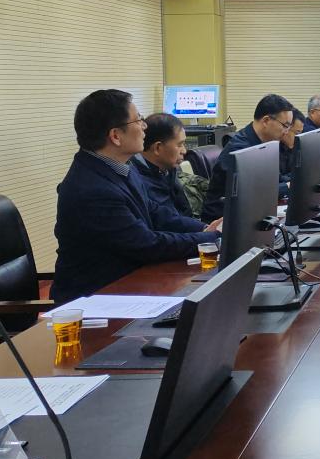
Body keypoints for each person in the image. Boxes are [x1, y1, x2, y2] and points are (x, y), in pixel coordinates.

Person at [51, 90, 221, 304]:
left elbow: (155, 213)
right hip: (96, 300)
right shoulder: (92, 190)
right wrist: (211, 239)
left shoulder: (122, 167)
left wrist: (204, 229)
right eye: (138, 120)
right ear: (115, 136)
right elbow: (147, 245)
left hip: (131, 285)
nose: (144, 126)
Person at [201, 94, 296, 221]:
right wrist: (287, 186)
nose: (287, 131)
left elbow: (274, 179)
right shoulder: (240, 150)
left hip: (249, 211)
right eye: (285, 125)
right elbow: (252, 193)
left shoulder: (265, 143)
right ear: (266, 121)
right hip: (222, 219)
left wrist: (296, 179)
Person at [133, 112, 193, 219]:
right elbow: (167, 221)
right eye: (179, 145)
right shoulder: (138, 180)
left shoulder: (166, 167)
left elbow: (184, 211)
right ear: (158, 148)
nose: (184, 151)